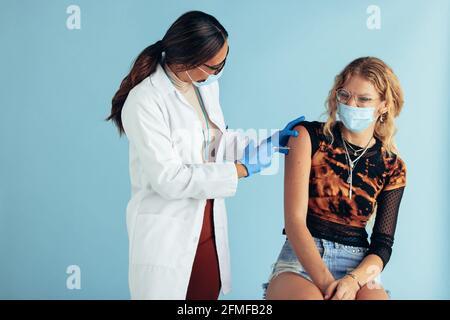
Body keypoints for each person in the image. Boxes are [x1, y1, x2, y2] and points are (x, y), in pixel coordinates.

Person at [106, 11, 304, 299]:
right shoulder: (144, 101)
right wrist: (240, 169)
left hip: (208, 225)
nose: (219, 71)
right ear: (187, 60)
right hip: (169, 233)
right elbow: (169, 179)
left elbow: (214, 142)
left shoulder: (205, 87)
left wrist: (264, 143)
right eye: (213, 66)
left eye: (224, 61)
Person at [263, 57, 406, 300]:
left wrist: (353, 281)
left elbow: (382, 245)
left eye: (364, 99)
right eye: (345, 95)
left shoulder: (392, 166)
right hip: (302, 261)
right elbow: (295, 222)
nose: (352, 104)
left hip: (358, 268)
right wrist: (330, 286)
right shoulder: (308, 136)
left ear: (384, 105)